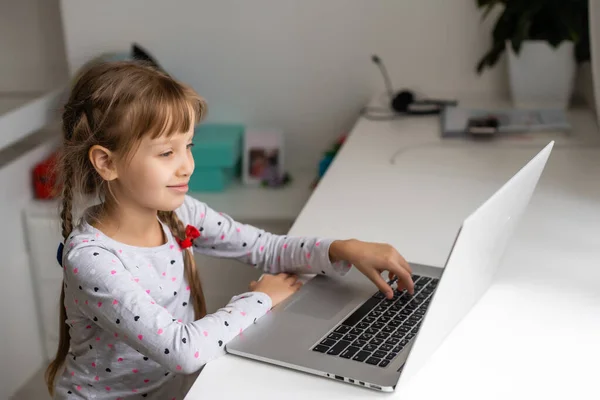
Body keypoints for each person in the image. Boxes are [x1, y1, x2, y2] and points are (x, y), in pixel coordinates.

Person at [44, 60, 414, 399]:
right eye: (166, 153)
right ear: (107, 163)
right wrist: (262, 298)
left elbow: (265, 248)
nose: (187, 166)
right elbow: (183, 349)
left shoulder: (179, 212)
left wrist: (341, 248)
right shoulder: (92, 260)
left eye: (187, 146)